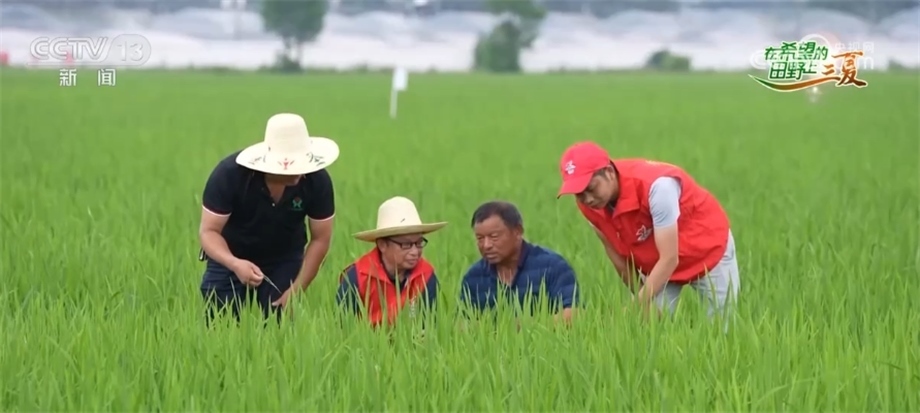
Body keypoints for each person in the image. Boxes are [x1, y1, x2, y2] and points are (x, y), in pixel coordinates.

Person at [556, 141, 740, 322]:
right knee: (649, 326)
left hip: (707, 252)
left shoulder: (658, 188)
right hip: (657, 263)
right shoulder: (590, 206)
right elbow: (616, 255)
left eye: (591, 188)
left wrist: (635, 305)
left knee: (722, 327)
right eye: (579, 193)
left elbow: (670, 258)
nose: (587, 199)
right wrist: (642, 302)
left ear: (609, 172)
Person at [198, 113, 339, 324]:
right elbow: (208, 232)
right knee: (219, 321)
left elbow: (321, 239)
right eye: (293, 167)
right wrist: (235, 264)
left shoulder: (317, 180)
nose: (300, 173)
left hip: (284, 257)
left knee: (279, 323)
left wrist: (296, 290)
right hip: (230, 253)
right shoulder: (230, 175)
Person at [459, 201, 580, 324]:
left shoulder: (552, 266)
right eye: (480, 238)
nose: (486, 245)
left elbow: (573, 313)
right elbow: (461, 324)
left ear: (518, 231)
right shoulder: (474, 277)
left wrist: (519, 326)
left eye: (494, 237)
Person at [336, 196, 446, 328]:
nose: (415, 251)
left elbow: (431, 327)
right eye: (406, 244)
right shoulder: (357, 278)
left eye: (418, 243)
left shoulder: (426, 276)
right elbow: (342, 329)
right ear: (382, 245)